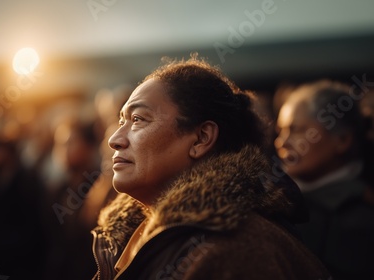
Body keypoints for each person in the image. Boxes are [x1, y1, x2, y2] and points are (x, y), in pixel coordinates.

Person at [91, 56, 330, 280]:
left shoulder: (237, 250)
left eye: (138, 119)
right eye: (121, 121)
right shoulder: (133, 237)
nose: (114, 139)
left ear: (201, 139)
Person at [274, 80, 374, 279]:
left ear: (342, 140)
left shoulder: (361, 219)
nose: (282, 142)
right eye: (280, 131)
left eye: (297, 130)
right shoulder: (280, 203)